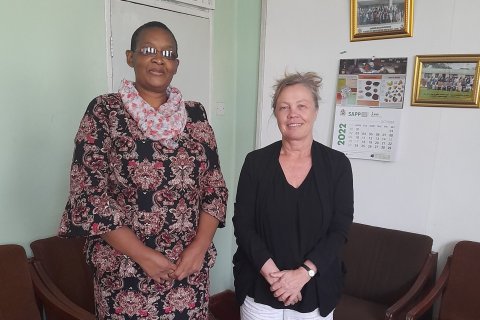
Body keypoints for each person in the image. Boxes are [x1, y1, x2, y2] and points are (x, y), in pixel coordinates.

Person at [58, 21, 228, 320]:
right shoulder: (105, 112)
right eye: (149, 50)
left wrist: (199, 249)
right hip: (126, 275)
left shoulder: (196, 116)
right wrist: (144, 257)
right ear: (130, 57)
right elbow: (88, 194)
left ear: (176, 64)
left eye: (168, 53)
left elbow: (214, 188)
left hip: (187, 273)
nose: (158, 58)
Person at [233, 72, 354, 320]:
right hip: (261, 289)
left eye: (302, 106)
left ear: (315, 111)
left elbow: (339, 230)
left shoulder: (337, 165)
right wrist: (276, 278)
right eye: (284, 107)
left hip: (316, 290)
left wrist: (302, 275)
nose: (293, 114)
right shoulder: (255, 163)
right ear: (276, 114)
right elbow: (243, 226)